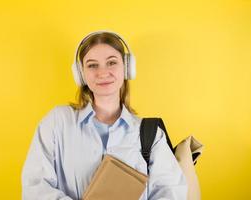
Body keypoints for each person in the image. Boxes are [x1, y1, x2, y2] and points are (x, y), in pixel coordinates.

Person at [21, 30, 187, 200]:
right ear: (81, 74)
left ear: (127, 68)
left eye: (111, 62)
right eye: (92, 65)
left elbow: (171, 193)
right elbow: (35, 187)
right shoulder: (57, 123)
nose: (102, 72)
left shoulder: (150, 135)